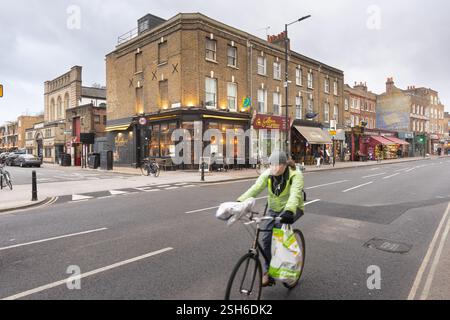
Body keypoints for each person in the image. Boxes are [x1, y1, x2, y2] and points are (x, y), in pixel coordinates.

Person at [237, 151, 305, 287]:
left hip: (291, 209)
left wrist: (289, 210)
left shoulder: (295, 174)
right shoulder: (268, 174)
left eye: (278, 165)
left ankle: (290, 266)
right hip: (273, 208)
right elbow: (255, 188)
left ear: (285, 165)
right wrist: (239, 202)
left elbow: (295, 194)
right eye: (272, 164)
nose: (274, 167)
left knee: (280, 239)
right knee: (266, 240)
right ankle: (269, 271)